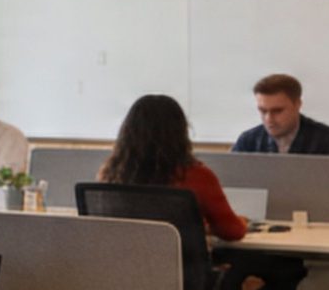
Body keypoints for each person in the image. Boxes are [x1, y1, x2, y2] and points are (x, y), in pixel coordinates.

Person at [101, 94, 249, 245]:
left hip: (123, 265)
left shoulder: (112, 174)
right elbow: (232, 232)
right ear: (181, 132)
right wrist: (242, 222)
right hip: (180, 267)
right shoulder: (197, 176)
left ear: (127, 132)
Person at [232, 73, 329, 156]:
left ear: (298, 104)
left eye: (278, 111)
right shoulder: (248, 141)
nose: (269, 119)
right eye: (263, 111)